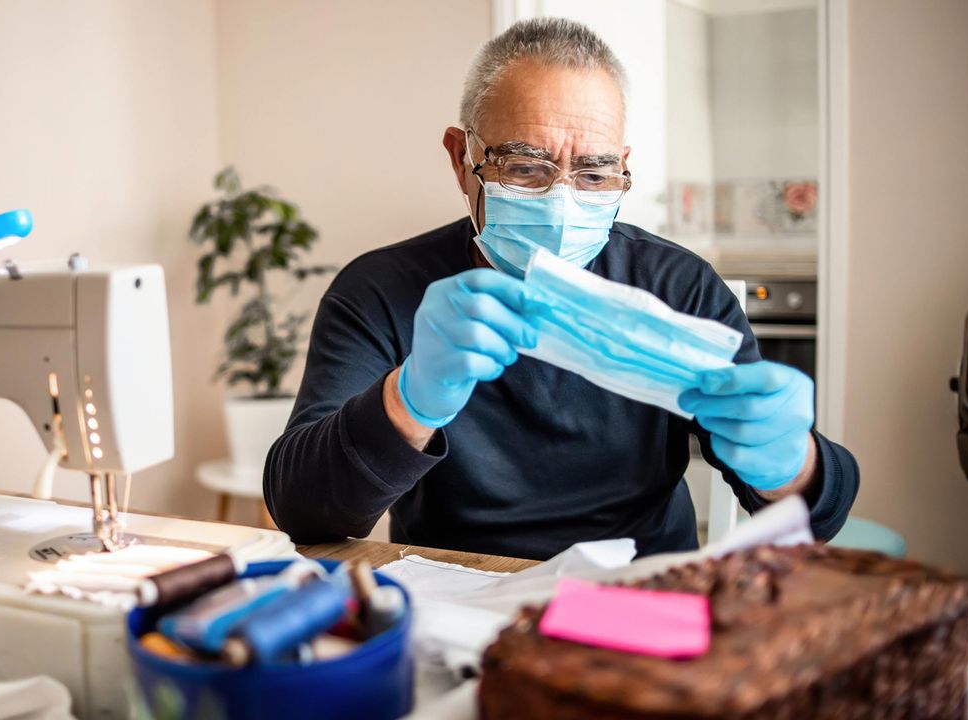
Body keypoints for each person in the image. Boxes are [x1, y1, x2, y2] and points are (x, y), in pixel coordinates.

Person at [263, 18, 858, 560]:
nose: (563, 202)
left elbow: (818, 516)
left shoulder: (679, 285)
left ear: (622, 165)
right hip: (459, 591)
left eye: (595, 173)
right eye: (525, 167)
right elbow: (303, 510)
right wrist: (406, 402)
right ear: (460, 156)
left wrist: (791, 462)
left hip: (641, 592)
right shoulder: (379, 291)